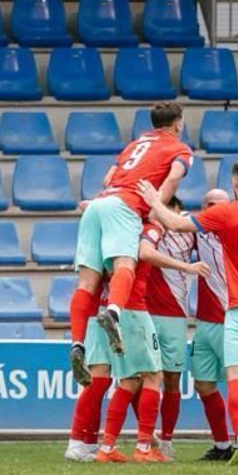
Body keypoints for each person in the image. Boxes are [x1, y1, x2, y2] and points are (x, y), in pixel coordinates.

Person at [139, 160, 238, 466]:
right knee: (231, 380)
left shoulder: (227, 216)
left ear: (234, 185)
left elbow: (172, 223)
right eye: (209, 204)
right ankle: (233, 444)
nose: (213, 207)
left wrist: (153, 198)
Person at [68, 103, 192, 384]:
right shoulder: (180, 149)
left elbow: (108, 178)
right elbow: (172, 178)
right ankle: (113, 313)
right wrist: (155, 207)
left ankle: (77, 344)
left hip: (98, 203)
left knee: (86, 282)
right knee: (125, 263)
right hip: (124, 206)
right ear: (178, 123)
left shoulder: (134, 144)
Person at [95, 221, 210, 464]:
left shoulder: (116, 229)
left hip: (116, 306)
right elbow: (146, 252)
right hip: (135, 309)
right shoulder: (148, 227)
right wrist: (186, 266)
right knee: (153, 376)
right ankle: (144, 447)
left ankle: (107, 448)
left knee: (129, 380)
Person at [140, 196, 200, 461]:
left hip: (176, 314)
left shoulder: (189, 233)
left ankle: (166, 439)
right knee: (141, 378)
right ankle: (146, 434)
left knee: (173, 380)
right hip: (145, 312)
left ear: (176, 211)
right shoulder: (145, 231)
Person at [188, 188, 233, 461]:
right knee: (203, 385)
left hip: (232, 319)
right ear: (204, 208)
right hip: (204, 321)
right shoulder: (197, 230)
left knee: (237, 383)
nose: (217, 211)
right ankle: (223, 445)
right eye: (212, 205)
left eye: (223, 206)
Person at [63, 272, 114, 462]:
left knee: (104, 382)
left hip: (105, 314)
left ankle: (89, 443)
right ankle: (76, 443)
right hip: (100, 315)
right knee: (99, 381)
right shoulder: (101, 248)